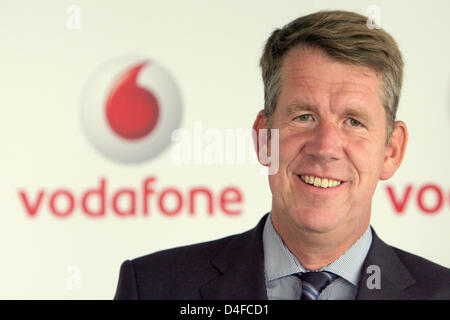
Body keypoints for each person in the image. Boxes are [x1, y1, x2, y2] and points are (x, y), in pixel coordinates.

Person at [114, 10, 450, 300]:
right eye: (304, 116)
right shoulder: (154, 287)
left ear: (391, 151)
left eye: (354, 121)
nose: (325, 147)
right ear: (264, 138)